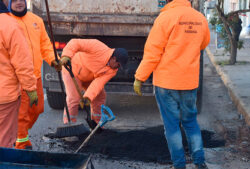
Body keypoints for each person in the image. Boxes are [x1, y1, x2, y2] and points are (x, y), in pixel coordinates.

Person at [133, 0, 210, 168]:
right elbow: (203, 43)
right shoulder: (200, 18)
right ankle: (199, 161)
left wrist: (140, 77)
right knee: (190, 122)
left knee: (172, 126)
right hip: (189, 81)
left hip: (166, 83)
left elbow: (153, 51)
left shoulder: (165, 18)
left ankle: (179, 164)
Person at [3, 0, 61, 149]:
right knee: (21, 114)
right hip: (19, 79)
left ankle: (19, 133)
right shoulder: (9, 22)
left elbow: (45, 45)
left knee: (37, 109)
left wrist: (54, 60)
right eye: (14, 1)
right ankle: (21, 143)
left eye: (21, 0)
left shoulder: (36, 21)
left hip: (36, 76)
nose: (19, 3)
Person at [60, 39, 128, 126]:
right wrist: (66, 55)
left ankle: (97, 125)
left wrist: (88, 97)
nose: (118, 68)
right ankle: (68, 125)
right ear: (114, 59)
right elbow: (75, 43)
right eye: (118, 65)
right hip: (73, 71)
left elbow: (98, 84)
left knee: (100, 97)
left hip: (89, 78)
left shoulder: (113, 70)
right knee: (74, 98)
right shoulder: (97, 47)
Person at [0, 0, 37, 148]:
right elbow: (22, 62)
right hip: (4, 97)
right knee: (4, 142)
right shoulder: (9, 25)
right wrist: (30, 88)